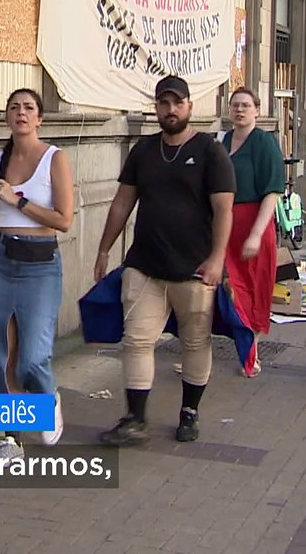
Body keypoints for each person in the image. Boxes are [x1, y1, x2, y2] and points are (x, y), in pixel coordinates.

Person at [93, 75, 236, 446]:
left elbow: (224, 210)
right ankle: (135, 417)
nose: (170, 110)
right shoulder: (143, 150)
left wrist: (218, 259)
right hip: (145, 266)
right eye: (163, 104)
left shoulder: (210, 151)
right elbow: (122, 203)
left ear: (190, 106)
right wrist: (104, 249)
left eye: (177, 103)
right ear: (156, 108)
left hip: (194, 270)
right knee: (137, 341)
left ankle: (189, 412)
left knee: (195, 342)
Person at [0, 88, 74, 461]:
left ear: (39, 119)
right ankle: (10, 437)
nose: (21, 113)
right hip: (1, 262)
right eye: (14, 107)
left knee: (32, 358)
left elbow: (64, 219)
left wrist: (20, 201)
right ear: (7, 118)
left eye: (29, 108)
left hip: (40, 267)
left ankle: (47, 400)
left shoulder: (54, 160)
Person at [221, 88, 285, 377]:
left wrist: (257, 233)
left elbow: (272, 191)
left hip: (254, 220)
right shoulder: (223, 141)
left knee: (253, 287)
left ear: (257, 110)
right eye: (235, 105)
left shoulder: (264, 143)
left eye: (246, 105)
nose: (240, 110)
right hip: (226, 222)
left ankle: (251, 350)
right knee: (228, 287)